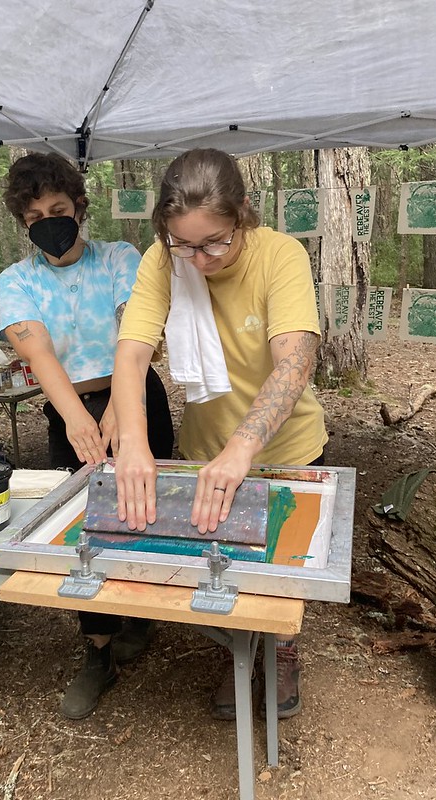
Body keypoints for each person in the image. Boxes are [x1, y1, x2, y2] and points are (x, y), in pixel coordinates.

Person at [112, 148, 328, 720]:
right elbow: (132, 356)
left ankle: (281, 651)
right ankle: (237, 650)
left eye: (214, 242)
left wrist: (243, 447)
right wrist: (133, 443)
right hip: (205, 446)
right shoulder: (162, 261)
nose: (199, 260)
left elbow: (294, 361)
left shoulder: (281, 255)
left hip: (285, 445)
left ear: (244, 215)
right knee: (222, 560)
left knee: (281, 568)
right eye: (183, 243)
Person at [0, 152, 174, 719]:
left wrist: (123, 409)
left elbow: (138, 334)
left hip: (137, 395)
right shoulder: (17, 280)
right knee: (83, 529)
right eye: (35, 217)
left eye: (58, 208)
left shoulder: (121, 258)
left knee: (147, 512)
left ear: (78, 206)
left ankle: (143, 614)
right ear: (24, 224)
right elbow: (38, 351)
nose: (49, 222)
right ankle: (96, 648)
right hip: (67, 404)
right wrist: (75, 416)